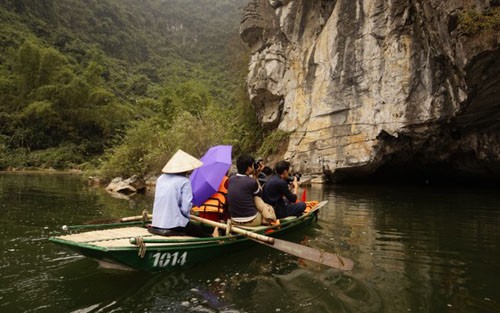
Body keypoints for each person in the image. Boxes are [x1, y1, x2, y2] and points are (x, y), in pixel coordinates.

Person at [149, 149, 212, 237]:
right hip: (174, 225)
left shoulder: (160, 178)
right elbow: (185, 209)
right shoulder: (185, 181)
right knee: (201, 231)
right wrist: (186, 218)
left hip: (156, 223)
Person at [227, 154, 264, 226]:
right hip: (252, 220)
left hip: (234, 220)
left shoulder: (231, 179)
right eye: (253, 165)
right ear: (249, 168)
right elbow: (260, 193)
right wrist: (255, 177)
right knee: (258, 201)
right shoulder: (252, 182)